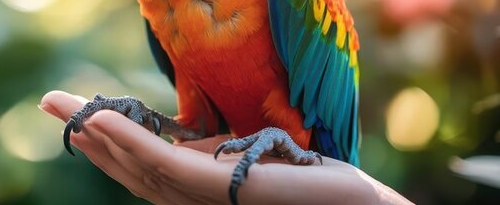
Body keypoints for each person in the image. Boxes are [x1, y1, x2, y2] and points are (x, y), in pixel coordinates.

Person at [40, 91, 413, 205]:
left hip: (308, 143)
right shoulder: (156, 4)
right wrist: (159, 123)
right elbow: (201, 130)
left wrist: (366, 200)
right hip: (221, 142)